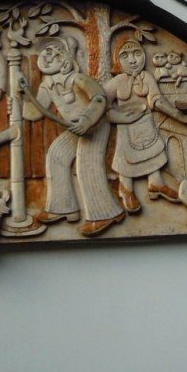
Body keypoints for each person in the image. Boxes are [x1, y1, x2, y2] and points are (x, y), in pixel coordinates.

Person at [20, 34, 121, 236]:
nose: (46, 57)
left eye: (52, 53)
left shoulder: (78, 78)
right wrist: (21, 95)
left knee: (87, 165)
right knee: (56, 155)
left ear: (65, 58)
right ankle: (63, 208)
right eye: (44, 53)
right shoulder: (47, 85)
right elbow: (33, 113)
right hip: (73, 127)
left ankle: (106, 213)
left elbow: (99, 98)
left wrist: (86, 120)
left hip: (95, 126)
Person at [104, 39, 187, 212]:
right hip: (126, 126)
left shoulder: (147, 77)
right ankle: (126, 189)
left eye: (137, 54)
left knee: (153, 153)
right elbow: (101, 102)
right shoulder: (117, 81)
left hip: (146, 122)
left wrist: (177, 115)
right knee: (126, 159)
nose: (132, 60)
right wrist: (117, 117)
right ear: (118, 60)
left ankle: (156, 184)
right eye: (126, 56)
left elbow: (156, 99)